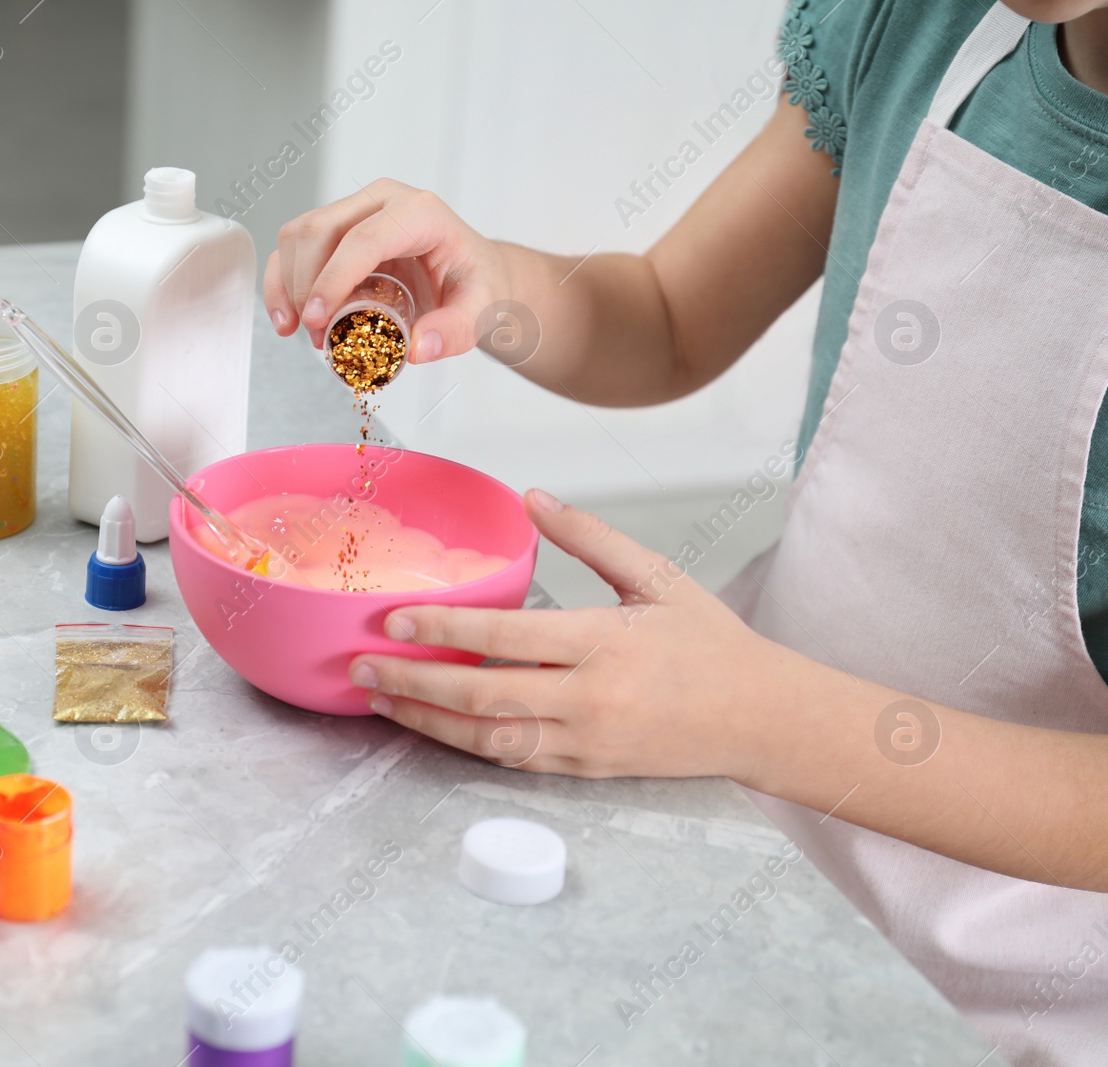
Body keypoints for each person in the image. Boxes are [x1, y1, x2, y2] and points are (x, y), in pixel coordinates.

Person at [264, 2, 1108, 1064]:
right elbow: (666, 318)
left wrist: (756, 713)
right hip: (747, 817)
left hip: (1017, 995)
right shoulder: (920, 26)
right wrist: (495, 283)